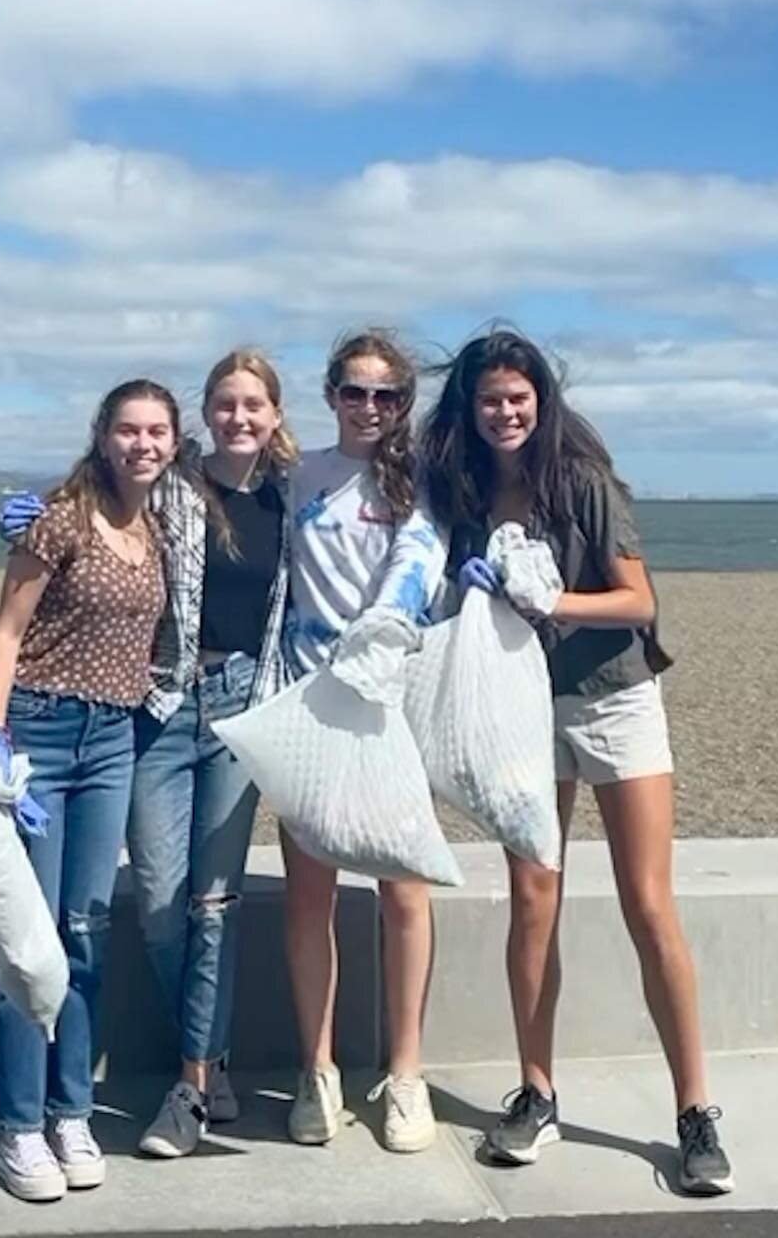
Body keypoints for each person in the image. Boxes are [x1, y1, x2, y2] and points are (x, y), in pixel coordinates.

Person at [417, 329, 733, 1196]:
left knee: (647, 902)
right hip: (521, 708)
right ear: (468, 409)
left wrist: (549, 597)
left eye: (518, 398)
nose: (505, 412)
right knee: (532, 898)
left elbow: (638, 600)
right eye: (489, 400)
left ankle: (695, 1112)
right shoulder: (465, 490)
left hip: (615, 699)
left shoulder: (581, 481)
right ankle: (538, 1091)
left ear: (541, 401)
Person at [0, 350, 297, 1160]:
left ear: (275, 417)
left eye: (255, 406)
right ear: (206, 416)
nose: (240, 418)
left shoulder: (293, 499)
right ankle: (213, 1048)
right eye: (226, 405)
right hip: (160, 709)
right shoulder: (172, 486)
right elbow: (96, 503)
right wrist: (21, 518)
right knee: (163, 906)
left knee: (214, 904)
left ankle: (195, 1079)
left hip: (243, 709)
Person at [0, 379, 178, 1203]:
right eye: (129, 430)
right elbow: (5, 633)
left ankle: (71, 1112)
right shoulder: (57, 517)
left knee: (86, 930)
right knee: (30, 941)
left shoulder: (162, 525)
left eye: (157, 431)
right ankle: (18, 1126)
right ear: (103, 435)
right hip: (44, 735)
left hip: (116, 741)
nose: (143, 444)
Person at [281, 329, 447, 1154]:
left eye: (387, 395)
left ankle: (405, 1073)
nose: (370, 408)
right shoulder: (298, 477)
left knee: (403, 893)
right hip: (309, 707)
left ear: (404, 404)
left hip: (393, 707)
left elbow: (417, 575)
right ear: (331, 395)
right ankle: (317, 1070)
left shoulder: (423, 485)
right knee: (310, 896)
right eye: (356, 391)